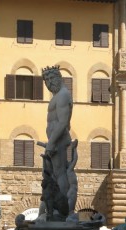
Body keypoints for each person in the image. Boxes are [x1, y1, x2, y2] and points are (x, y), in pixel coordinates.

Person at [39, 65, 73, 209]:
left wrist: (52, 142)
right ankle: (52, 208)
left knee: (59, 174)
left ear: (60, 78)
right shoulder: (58, 96)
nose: (49, 83)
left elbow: (63, 122)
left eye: (52, 78)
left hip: (58, 140)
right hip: (53, 140)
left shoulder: (63, 95)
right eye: (46, 80)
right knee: (52, 175)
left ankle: (62, 208)